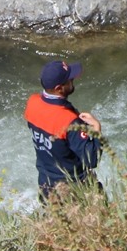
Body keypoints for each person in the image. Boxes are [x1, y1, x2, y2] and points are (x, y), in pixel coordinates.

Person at [24, 58, 103, 200]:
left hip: (46, 184)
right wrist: (96, 128)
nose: (73, 80)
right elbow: (91, 159)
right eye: (70, 80)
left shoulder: (32, 102)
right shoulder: (69, 122)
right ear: (59, 88)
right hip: (73, 189)